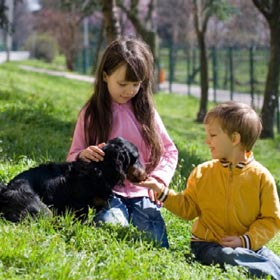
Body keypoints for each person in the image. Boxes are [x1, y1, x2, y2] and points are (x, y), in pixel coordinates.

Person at [138, 101, 280, 279]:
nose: (207, 141)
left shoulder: (262, 178)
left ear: (235, 139)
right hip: (208, 246)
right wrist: (162, 191)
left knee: (272, 259)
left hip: (251, 245)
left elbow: (270, 219)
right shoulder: (203, 172)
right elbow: (188, 208)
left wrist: (245, 241)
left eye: (212, 135)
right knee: (230, 256)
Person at [67, 36, 178, 248]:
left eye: (136, 84)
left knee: (156, 243)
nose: (129, 91)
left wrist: (159, 181)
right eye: (122, 84)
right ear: (105, 76)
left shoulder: (146, 113)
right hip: (106, 193)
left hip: (142, 193)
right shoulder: (91, 114)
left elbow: (170, 151)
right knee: (114, 232)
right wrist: (83, 156)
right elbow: (73, 154)